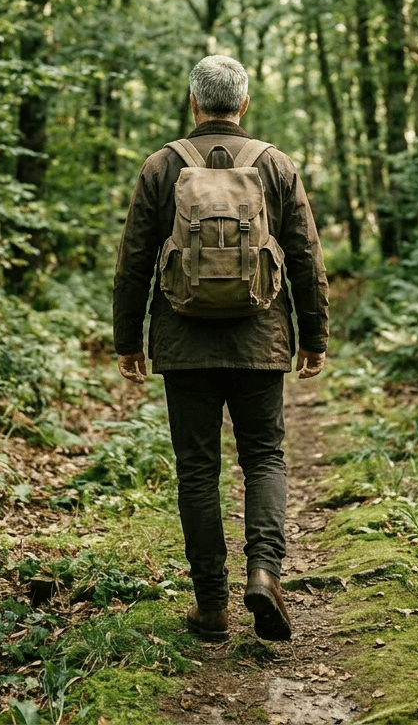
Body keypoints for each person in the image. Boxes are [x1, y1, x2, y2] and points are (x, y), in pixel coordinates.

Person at [112, 54, 329, 643]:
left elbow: (134, 261)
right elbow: (306, 256)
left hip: (183, 343)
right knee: (263, 457)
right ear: (244, 104)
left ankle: (211, 606)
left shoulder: (161, 166)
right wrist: (314, 337)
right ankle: (264, 572)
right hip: (261, 339)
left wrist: (127, 340)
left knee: (198, 471)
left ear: (193, 103)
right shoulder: (275, 165)